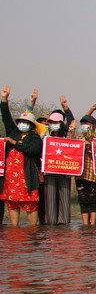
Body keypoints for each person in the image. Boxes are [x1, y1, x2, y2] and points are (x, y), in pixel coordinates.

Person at [0, 85, 41, 226]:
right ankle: (14, 230)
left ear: (31, 125)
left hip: (27, 176)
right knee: (12, 203)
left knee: (30, 204)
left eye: (26, 123)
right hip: (11, 177)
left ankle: (32, 231)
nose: (22, 124)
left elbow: (32, 150)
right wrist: (4, 100)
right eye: (21, 122)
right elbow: (6, 116)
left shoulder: (35, 138)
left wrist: (14, 142)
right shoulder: (14, 132)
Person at [42, 110, 73, 225]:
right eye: (51, 122)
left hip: (64, 172)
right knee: (50, 198)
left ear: (61, 123)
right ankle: (51, 222)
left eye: (56, 122)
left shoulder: (67, 137)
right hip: (49, 171)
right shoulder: (44, 136)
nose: (53, 124)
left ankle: (64, 223)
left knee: (64, 197)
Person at [74, 115, 96, 225]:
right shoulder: (79, 137)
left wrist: (90, 145)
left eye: (87, 123)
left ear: (92, 125)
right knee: (82, 198)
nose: (85, 126)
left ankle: (93, 223)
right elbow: (70, 145)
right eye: (83, 123)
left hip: (93, 172)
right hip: (80, 172)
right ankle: (85, 223)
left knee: (93, 197)